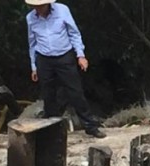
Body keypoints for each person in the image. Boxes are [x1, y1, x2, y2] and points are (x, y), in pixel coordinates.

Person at [25, 0, 106, 138]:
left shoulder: (62, 10)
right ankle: (53, 130)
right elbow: (32, 42)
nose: (38, 9)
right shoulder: (30, 18)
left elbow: (74, 33)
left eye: (40, 6)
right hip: (44, 58)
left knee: (75, 91)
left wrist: (80, 55)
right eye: (35, 6)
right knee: (48, 95)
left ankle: (90, 126)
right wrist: (34, 67)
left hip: (64, 55)